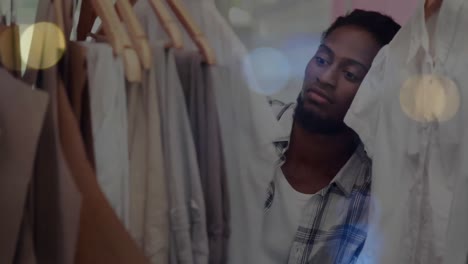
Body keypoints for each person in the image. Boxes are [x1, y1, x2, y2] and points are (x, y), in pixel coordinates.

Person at [259, 10, 400, 263]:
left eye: (350, 75)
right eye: (322, 60)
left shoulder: (375, 191)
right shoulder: (251, 127)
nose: (324, 78)